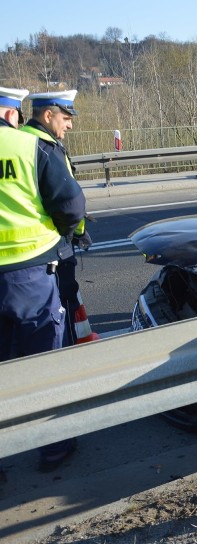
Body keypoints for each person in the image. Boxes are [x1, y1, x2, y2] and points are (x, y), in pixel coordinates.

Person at [0, 86, 86, 472]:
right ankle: (52, 447)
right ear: (10, 114)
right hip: (29, 272)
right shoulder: (28, 148)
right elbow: (70, 206)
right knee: (43, 361)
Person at [22, 90, 93, 347]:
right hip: (53, 245)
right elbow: (69, 203)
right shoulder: (43, 147)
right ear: (48, 115)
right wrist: (72, 232)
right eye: (65, 117)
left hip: (29, 251)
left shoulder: (22, 140)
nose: (70, 124)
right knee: (62, 305)